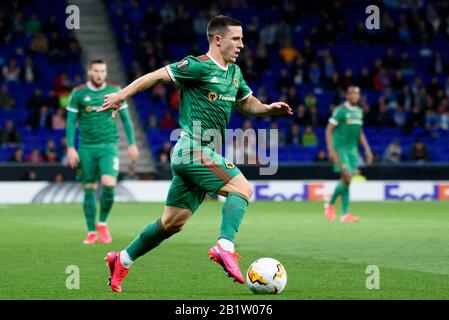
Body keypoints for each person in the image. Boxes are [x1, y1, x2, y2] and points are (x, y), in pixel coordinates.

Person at [98, 15, 292, 293]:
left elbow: (247, 103)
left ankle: (122, 259)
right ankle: (225, 247)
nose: (242, 45)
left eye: (242, 39)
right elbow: (155, 77)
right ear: (217, 39)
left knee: (172, 223)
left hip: (205, 153)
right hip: (191, 148)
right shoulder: (196, 66)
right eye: (236, 39)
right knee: (243, 189)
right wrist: (121, 95)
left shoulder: (234, 73)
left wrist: (268, 109)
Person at [65, 59, 140, 245]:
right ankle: (91, 232)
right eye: (96, 71)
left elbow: (126, 120)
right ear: (89, 72)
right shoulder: (79, 93)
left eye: (103, 71)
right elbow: (70, 123)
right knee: (88, 187)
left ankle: (102, 223)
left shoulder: (115, 91)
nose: (100, 74)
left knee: (108, 183)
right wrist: (70, 147)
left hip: (108, 146)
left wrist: (132, 144)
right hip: (86, 148)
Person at [324, 86, 373, 223]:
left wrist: (367, 150)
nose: (355, 96)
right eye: (352, 93)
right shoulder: (340, 111)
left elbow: (360, 132)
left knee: (347, 181)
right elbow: (328, 131)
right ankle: (331, 203)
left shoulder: (359, 112)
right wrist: (331, 151)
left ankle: (344, 214)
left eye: (357, 93)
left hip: (353, 151)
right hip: (340, 150)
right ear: (346, 95)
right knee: (347, 176)